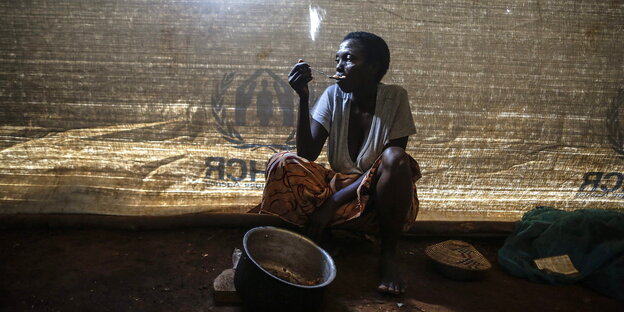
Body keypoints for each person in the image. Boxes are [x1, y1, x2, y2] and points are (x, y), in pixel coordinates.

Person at [250, 31, 421, 295]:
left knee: (397, 159)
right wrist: (303, 97)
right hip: (337, 188)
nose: (339, 66)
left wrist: (331, 203)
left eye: (349, 59)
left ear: (374, 67)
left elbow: (388, 166)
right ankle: (328, 237)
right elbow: (306, 154)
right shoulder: (333, 96)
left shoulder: (395, 98)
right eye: (337, 59)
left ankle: (388, 256)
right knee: (282, 162)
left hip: (379, 199)